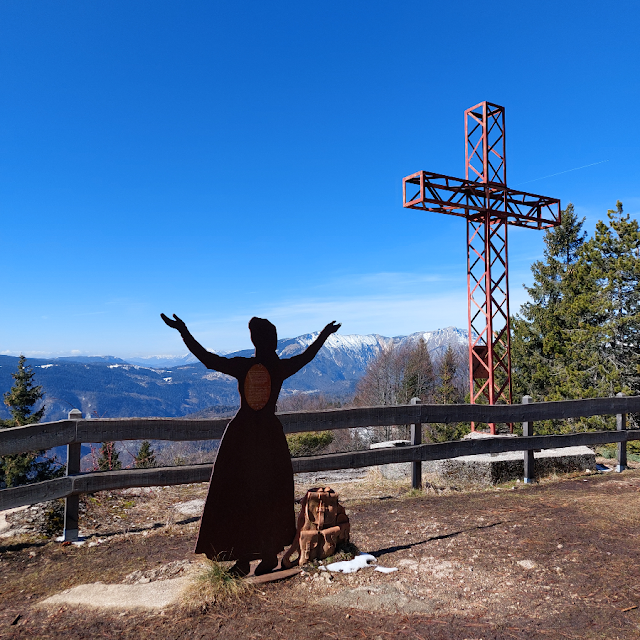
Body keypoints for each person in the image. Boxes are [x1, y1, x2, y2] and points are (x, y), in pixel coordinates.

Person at [161, 313, 340, 575]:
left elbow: (208, 359)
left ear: (254, 340)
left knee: (240, 494)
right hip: (269, 438)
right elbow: (307, 356)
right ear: (272, 342)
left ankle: (246, 558)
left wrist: (183, 331)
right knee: (269, 495)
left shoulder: (244, 366)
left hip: (242, 438)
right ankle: (264, 555)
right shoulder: (278, 368)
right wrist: (324, 335)